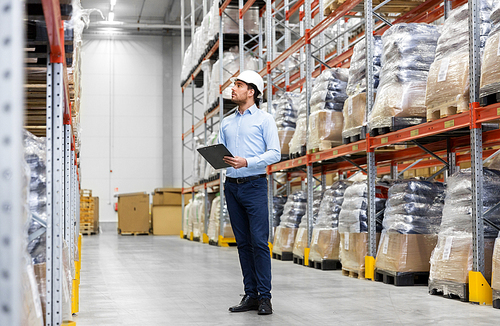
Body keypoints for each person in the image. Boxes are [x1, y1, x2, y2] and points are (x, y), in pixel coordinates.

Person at [218, 70, 280, 315]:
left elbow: (274, 153)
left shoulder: (265, 120)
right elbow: (224, 155)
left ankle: (265, 297)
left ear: (251, 91)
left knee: (259, 243)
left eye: (239, 85)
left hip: (254, 184)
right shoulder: (226, 121)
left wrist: (248, 162)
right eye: (234, 84)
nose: (233, 89)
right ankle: (251, 295)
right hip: (231, 187)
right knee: (243, 243)